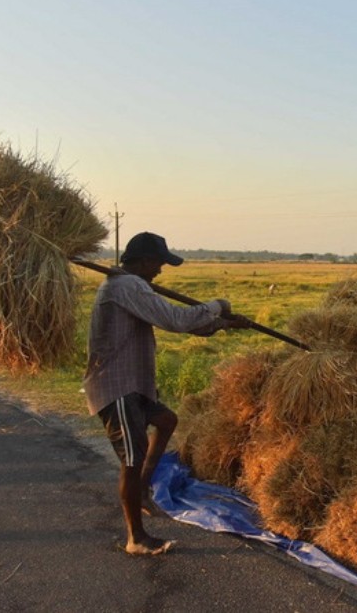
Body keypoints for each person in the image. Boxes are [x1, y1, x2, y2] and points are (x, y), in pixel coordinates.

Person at [83, 232, 251, 555]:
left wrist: (224, 323)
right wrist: (217, 305)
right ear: (144, 261)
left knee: (166, 420)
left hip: (134, 383)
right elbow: (174, 320)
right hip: (116, 385)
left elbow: (188, 324)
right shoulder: (126, 286)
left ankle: (143, 487)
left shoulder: (131, 285)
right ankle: (136, 538)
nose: (160, 271)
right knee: (131, 460)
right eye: (158, 263)